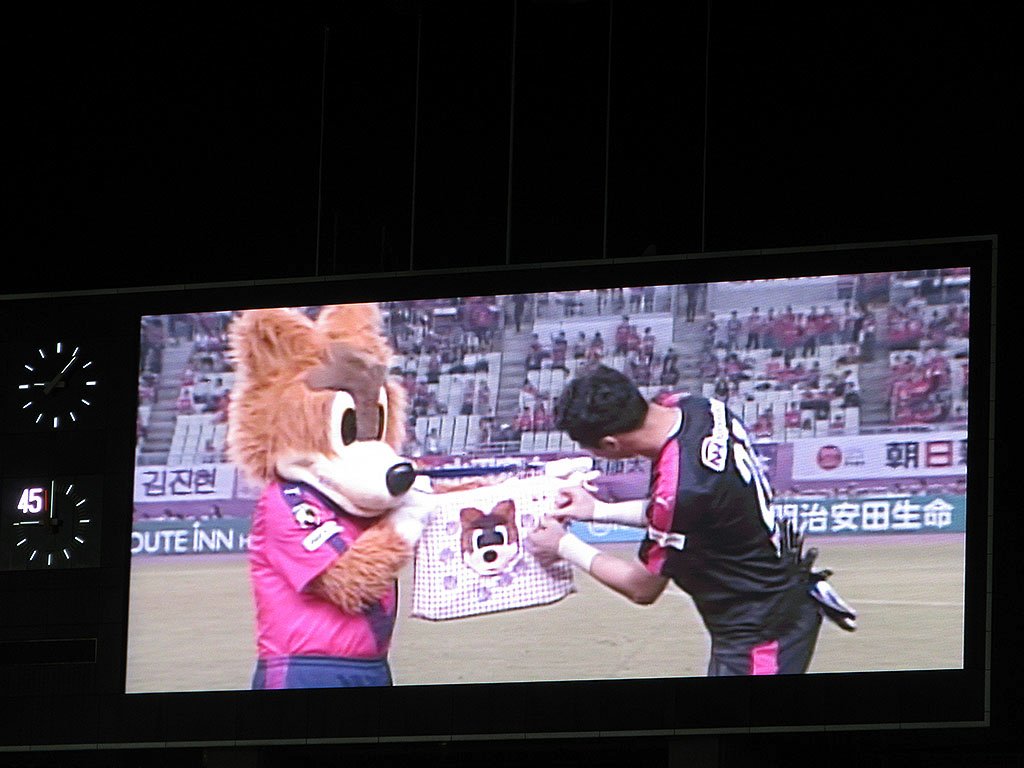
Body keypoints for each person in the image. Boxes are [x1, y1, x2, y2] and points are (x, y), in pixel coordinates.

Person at [527, 365, 855, 676]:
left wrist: (563, 545)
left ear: (610, 444)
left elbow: (642, 588)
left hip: (760, 629)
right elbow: (695, 513)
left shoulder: (682, 490)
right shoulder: (700, 408)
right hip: (770, 598)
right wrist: (597, 510)